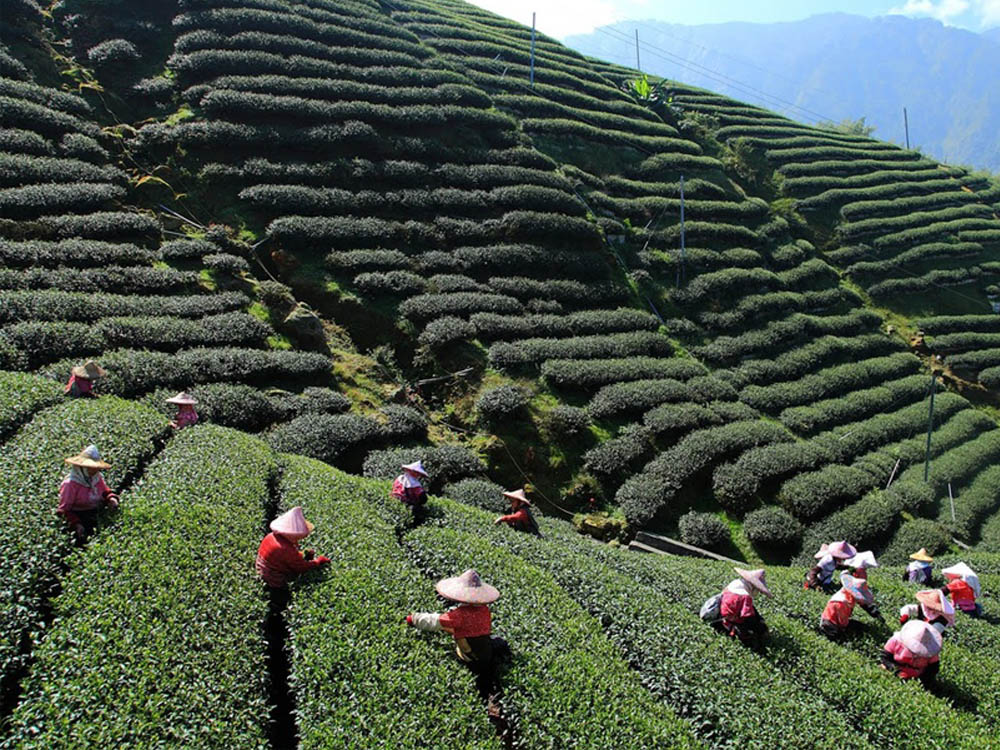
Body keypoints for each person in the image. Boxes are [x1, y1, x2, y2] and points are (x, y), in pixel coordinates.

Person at [406, 569, 509, 713]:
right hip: (486, 650)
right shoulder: (485, 610)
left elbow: (435, 621)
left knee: (468, 657)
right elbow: (474, 629)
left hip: (470, 653)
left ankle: (482, 690)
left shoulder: (459, 615)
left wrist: (414, 619)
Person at [57, 444, 120, 543]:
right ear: (81, 468)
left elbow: (104, 491)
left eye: (95, 467)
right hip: (80, 518)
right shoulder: (70, 484)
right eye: (90, 468)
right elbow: (63, 510)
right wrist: (76, 524)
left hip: (96, 514)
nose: (94, 470)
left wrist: (111, 498)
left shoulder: (96, 477)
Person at [256, 506, 330, 589]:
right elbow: (301, 568)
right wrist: (318, 562)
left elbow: (287, 558)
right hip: (274, 578)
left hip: (262, 568)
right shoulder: (285, 549)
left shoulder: (271, 536)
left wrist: (303, 555)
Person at [716, 567, 772, 649]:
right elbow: (748, 616)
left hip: (722, 613)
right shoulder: (745, 596)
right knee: (757, 626)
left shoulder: (734, 583)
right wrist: (761, 627)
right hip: (733, 620)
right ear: (753, 586)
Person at [880, 619, 942, 687]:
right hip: (896, 668)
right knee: (883, 668)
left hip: (917, 675)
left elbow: (933, 668)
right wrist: (897, 671)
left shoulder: (931, 649)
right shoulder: (895, 641)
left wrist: (923, 680)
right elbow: (885, 657)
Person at [819, 572, 882, 638]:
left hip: (839, 619)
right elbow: (842, 622)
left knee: (863, 627)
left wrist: (875, 613)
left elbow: (863, 604)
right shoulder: (842, 602)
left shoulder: (849, 594)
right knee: (845, 636)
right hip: (829, 624)